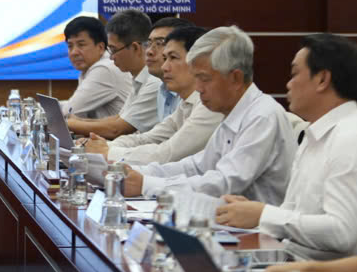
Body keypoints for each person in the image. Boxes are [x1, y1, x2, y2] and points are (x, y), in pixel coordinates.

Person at [215, 35, 357, 257]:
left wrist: (263, 215)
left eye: (294, 74)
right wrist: (250, 213)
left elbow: (342, 233)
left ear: (322, 79)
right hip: (290, 258)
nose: (288, 84)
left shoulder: (349, 135)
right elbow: (292, 214)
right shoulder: (314, 134)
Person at [122, 26, 295, 204]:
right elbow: (197, 166)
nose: (198, 88)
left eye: (204, 79)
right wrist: (138, 172)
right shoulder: (232, 112)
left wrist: (147, 184)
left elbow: (224, 183)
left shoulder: (262, 116)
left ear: (235, 78)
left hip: (250, 221)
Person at [85, 26, 224, 165]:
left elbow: (167, 154)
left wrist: (107, 151)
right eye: (165, 58)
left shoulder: (211, 105)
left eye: (173, 58)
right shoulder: (185, 102)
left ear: (199, 63)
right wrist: (105, 146)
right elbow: (148, 138)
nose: (164, 67)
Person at [68, 9, 160, 138]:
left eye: (114, 50)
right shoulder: (139, 78)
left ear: (135, 48)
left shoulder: (154, 82)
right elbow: (118, 118)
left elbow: (116, 129)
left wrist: (68, 123)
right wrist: (78, 121)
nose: (111, 57)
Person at [59, 16, 131, 119]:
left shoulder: (105, 69)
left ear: (100, 47)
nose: (74, 52)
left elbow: (69, 111)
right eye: (70, 46)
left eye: (81, 45)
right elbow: (75, 106)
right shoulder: (90, 68)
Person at [147, 17, 190, 122]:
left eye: (160, 43)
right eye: (149, 43)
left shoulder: (195, 94)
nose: (149, 51)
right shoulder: (162, 89)